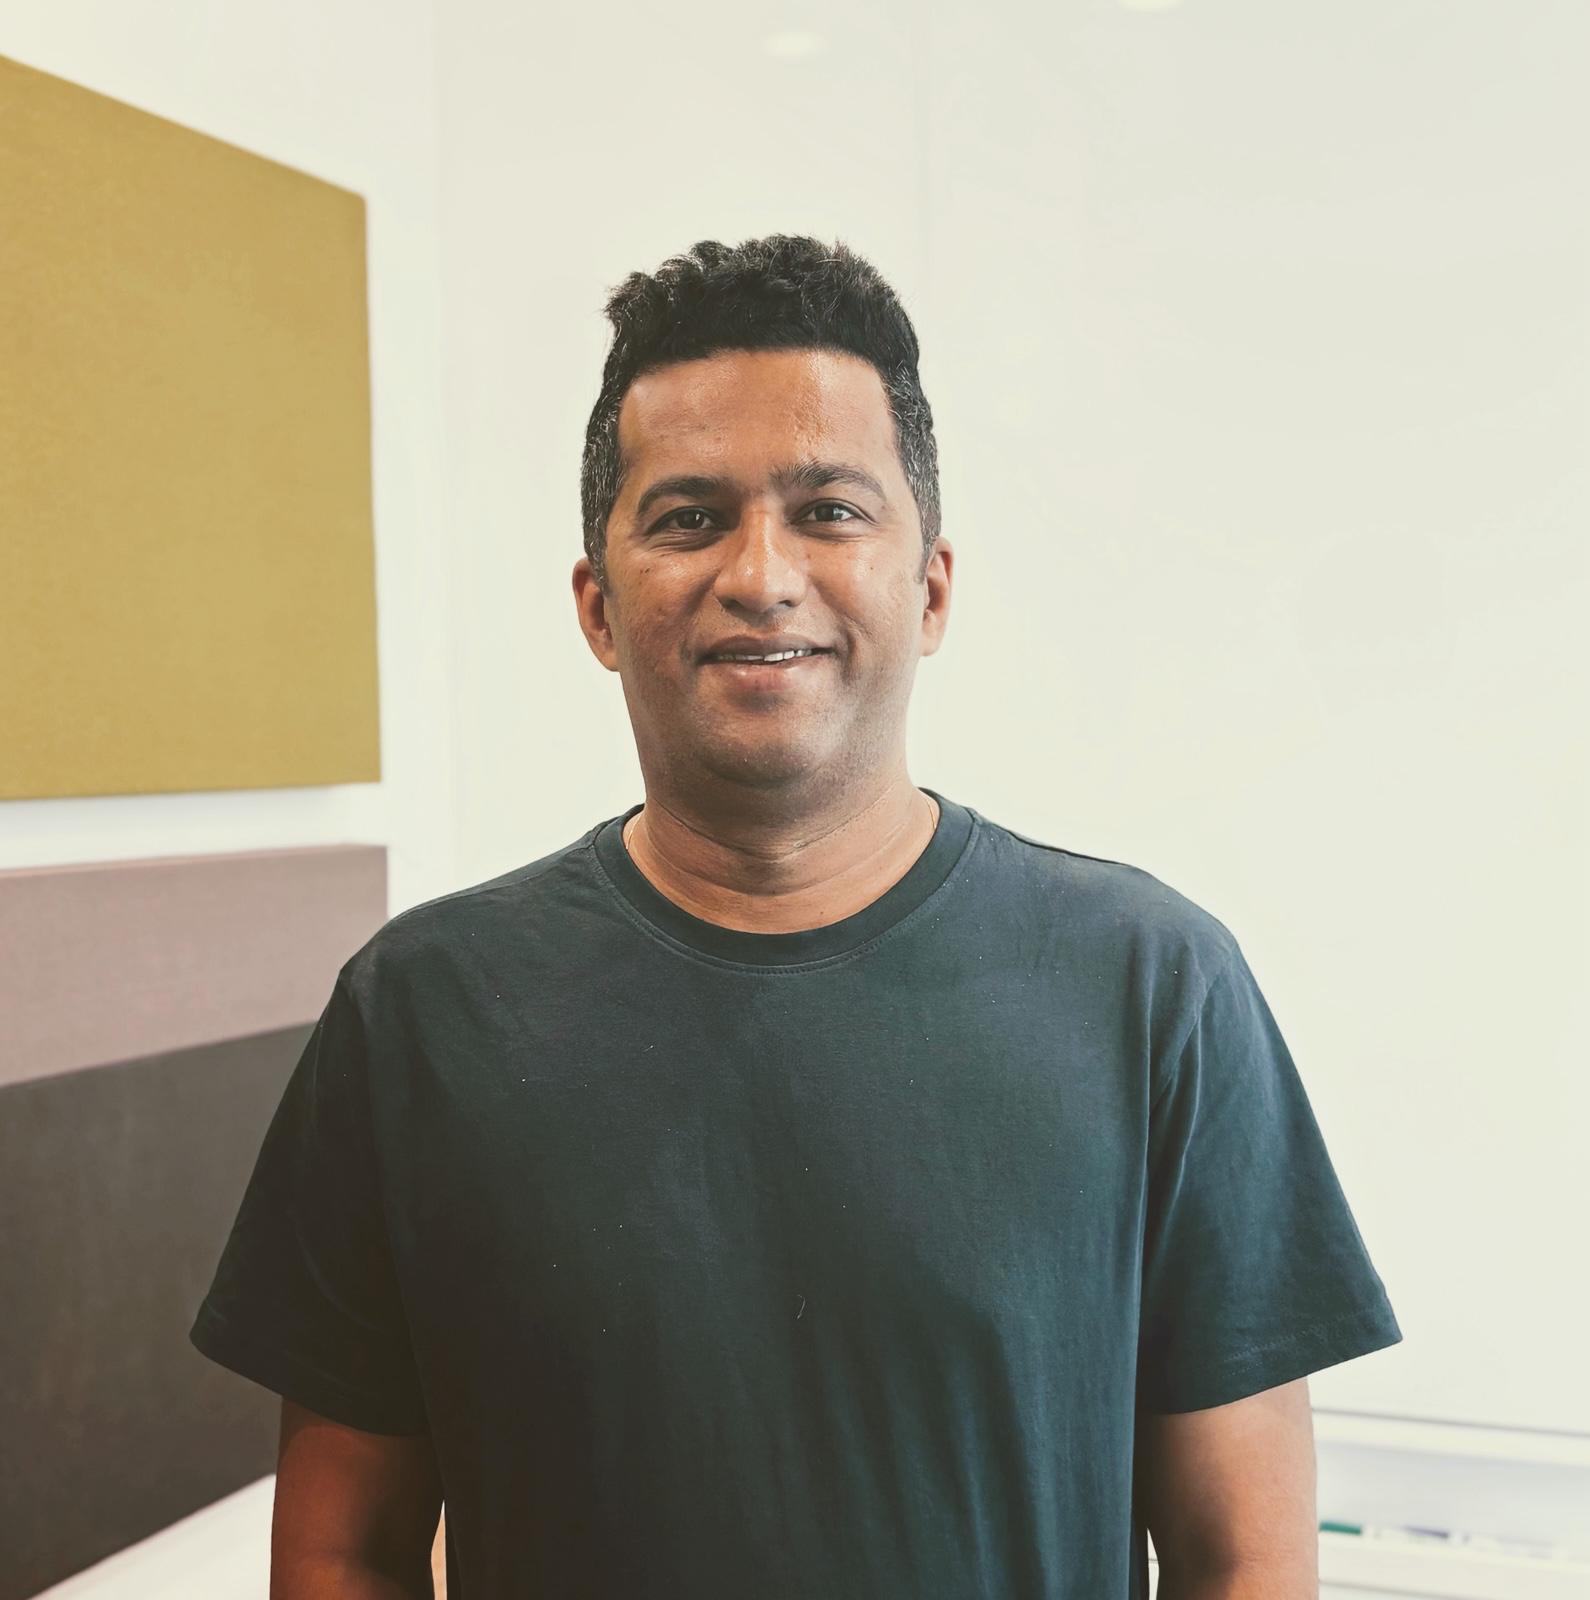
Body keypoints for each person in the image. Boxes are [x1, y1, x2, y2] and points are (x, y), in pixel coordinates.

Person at [190, 233, 1402, 1598]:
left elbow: (1243, 1563)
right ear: (596, 604)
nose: (760, 575)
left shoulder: (1151, 989)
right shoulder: (420, 1012)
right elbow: (342, 1554)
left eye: (828, 509)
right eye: (689, 516)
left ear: (929, 585)